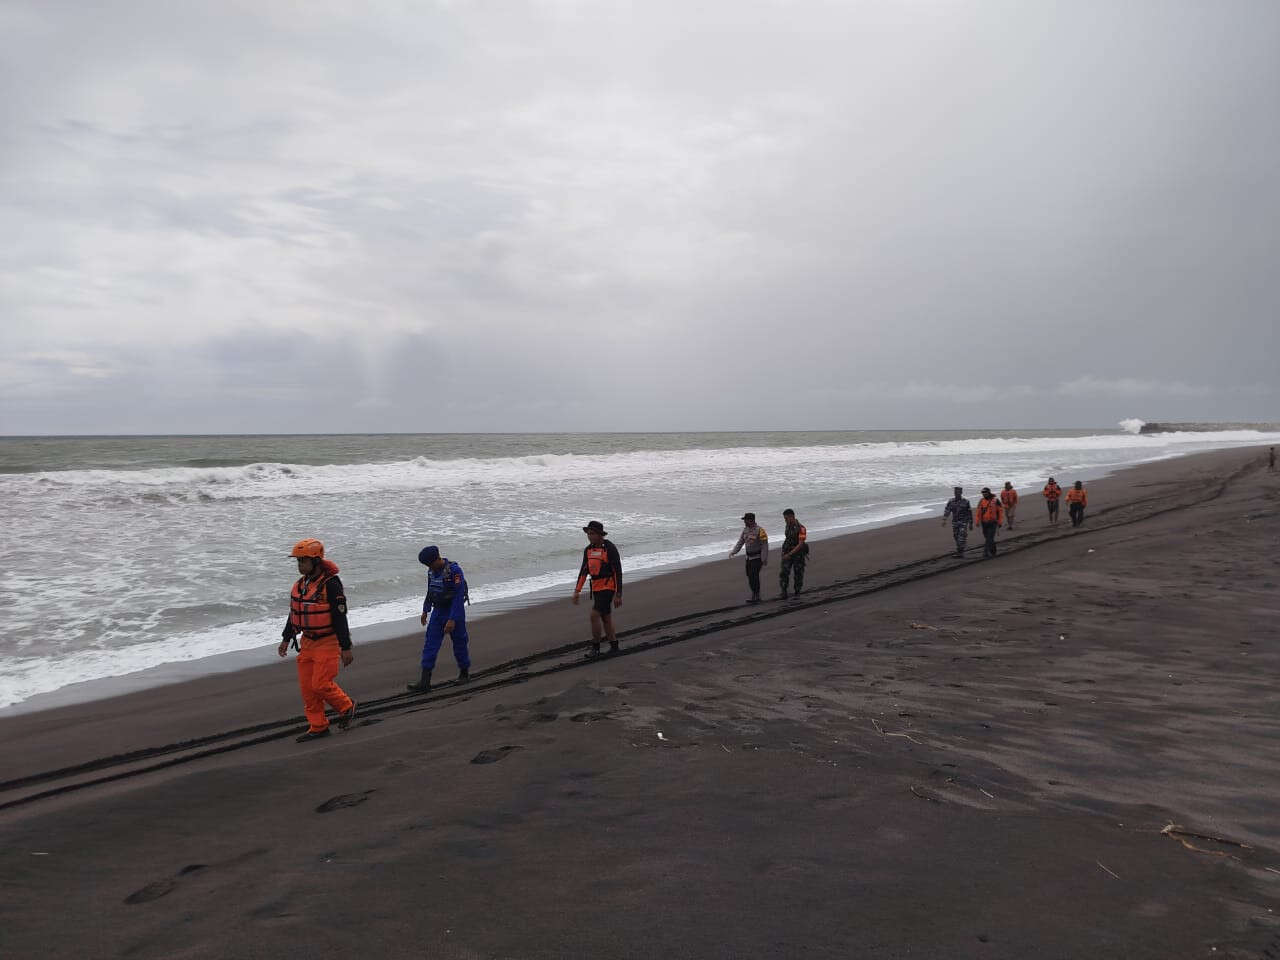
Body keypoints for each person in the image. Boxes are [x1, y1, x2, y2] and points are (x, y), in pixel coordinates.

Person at [279, 539, 356, 743]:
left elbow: (340, 617)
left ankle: (346, 706)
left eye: (303, 561)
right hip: (307, 642)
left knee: (321, 684)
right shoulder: (301, 585)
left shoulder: (331, 584)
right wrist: (286, 638)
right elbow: (295, 613)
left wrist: (346, 647)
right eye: (298, 561)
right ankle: (318, 726)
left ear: (315, 561)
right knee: (308, 689)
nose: (299, 565)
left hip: (328, 641)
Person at [407, 546, 470, 694]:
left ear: (437, 559)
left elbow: (458, 596)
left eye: (430, 564)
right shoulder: (431, 571)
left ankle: (464, 673)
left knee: (460, 642)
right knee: (430, 644)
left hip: (454, 610)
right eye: (427, 566)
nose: (429, 567)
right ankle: (425, 681)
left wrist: (453, 619)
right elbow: (430, 591)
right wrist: (425, 610)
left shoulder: (454, 571)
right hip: (438, 611)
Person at [573, 521, 623, 657]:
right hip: (596, 588)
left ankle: (595, 648)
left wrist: (618, 594)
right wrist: (577, 591)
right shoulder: (588, 550)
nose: (589, 536)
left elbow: (617, 571)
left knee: (594, 615)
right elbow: (584, 571)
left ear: (600, 534)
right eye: (588, 534)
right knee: (606, 617)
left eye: (592, 533)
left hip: (608, 587)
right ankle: (614, 646)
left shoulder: (609, 548)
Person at [729, 512, 769, 603]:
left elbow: (765, 545)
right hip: (748, 558)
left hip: (757, 558)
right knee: (750, 576)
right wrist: (734, 552)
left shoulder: (760, 530)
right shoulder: (745, 530)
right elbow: (740, 542)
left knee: (754, 576)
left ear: (750, 520)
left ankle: (757, 595)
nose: (744, 522)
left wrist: (764, 558)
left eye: (745, 520)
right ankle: (754, 594)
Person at [778, 508, 808, 599]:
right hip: (787, 551)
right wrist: (784, 553)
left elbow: (800, 544)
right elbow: (787, 539)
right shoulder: (788, 526)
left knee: (798, 573)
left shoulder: (801, 528)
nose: (785, 521)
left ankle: (797, 591)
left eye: (786, 518)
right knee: (784, 572)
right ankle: (784, 591)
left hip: (798, 554)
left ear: (792, 517)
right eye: (784, 519)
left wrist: (790, 554)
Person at [942, 486, 974, 558]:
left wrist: (971, 523)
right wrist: (944, 519)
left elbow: (969, 513)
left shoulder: (966, 501)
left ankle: (960, 552)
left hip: (963, 522)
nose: (956, 493)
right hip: (955, 522)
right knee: (956, 536)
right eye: (955, 492)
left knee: (961, 537)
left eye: (958, 492)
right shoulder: (951, 501)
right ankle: (960, 549)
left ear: (961, 492)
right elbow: (947, 510)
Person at [974, 487, 1005, 558]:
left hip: (993, 522)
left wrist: (1000, 522)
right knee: (988, 537)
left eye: (985, 492)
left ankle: (985, 552)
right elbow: (978, 512)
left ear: (989, 492)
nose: (984, 494)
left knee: (989, 538)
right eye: (983, 493)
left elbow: (1000, 512)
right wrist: (977, 521)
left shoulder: (996, 500)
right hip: (984, 522)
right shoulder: (981, 501)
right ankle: (993, 550)